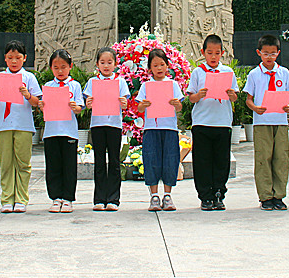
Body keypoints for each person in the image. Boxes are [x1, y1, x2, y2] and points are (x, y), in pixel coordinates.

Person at [0, 40, 41, 213]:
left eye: (17, 57)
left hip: (23, 125)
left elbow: (37, 102)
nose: (14, 61)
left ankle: (21, 199)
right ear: (5, 58)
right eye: (10, 58)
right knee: (6, 164)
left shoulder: (29, 77)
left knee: (23, 163)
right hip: (3, 126)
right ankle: (7, 199)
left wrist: (27, 94)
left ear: (24, 58)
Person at [186, 34, 239, 211]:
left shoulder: (228, 72)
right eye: (210, 53)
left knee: (221, 161)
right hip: (202, 122)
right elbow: (191, 98)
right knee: (202, 161)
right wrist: (199, 95)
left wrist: (231, 95)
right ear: (203, 53)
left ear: (222, 53)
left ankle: (218, 194)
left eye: (217, 53)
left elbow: (235, 97)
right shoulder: (198, 72)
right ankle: (205, 196)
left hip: (222, 122)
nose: (213, 57)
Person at [243, 34, 289, 211]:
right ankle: (265, 196)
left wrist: (287, 106)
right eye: (266, 53)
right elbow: (248, 99)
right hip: (262, 122)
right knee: (263, 158)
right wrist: (255, 108)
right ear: (259, 53)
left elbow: (288, 95)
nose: (269, 57)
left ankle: (279, 195)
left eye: (273, 53)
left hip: (280, 122)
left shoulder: (284, 73)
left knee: (281, 158)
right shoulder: (254, 74)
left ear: (278, 53)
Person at [136, 49, 184, 212]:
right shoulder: (146, 86)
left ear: (167, 66)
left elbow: (180, 107)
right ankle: (154, 196)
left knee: (170, 160)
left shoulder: (173, 85)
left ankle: (168, 195)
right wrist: (143, 105)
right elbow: (139, 107)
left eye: (162, 64)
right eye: (155, 65)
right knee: (151, 160)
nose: (159, 68)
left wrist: (176, 104)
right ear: (150, 68)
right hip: (151, 128)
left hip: (169, 128)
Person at [83, 47, 130, 211]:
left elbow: (125, 102)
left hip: (114, 125)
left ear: (115, 64)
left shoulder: (120, 82)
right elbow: (87, 103)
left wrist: (124, 103)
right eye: (102, 62)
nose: (106, 66)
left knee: (114, 161)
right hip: (97, 125)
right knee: (100, 161)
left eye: (109, 62)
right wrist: (88, 103)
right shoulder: (92, 82)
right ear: (97, 64)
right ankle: (99, 198)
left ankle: (113, 199)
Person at [39, 49, 84, 213]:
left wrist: (75, 107)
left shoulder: (75, 85)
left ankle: (68, 198)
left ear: (70, 66)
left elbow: (80, 108)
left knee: (69, 166)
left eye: (63, 67)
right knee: (53, 166)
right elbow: (43, 108)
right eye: (56, 67)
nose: (60, 71)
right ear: (51, 68)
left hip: (69, 132)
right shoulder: (48, 86)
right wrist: (41, 106)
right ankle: (55, 197)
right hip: (51, 132)